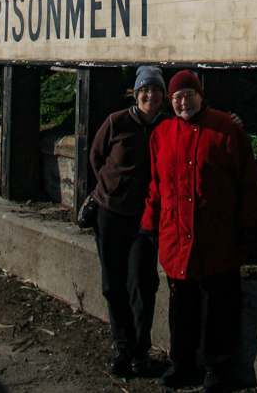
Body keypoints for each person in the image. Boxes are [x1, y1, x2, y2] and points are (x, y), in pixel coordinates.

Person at [141, 70, 257, 393]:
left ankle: (217, 368)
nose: (183, 102)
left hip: (218, 238)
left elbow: (248, 182)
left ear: (200, 94)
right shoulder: (161, 135)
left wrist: (249, 224)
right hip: (176, 239)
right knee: (182, 307)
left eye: (188, 95)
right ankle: (183, 364)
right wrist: (149, 225)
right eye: (177, 97)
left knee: (220, 305)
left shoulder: (226, 128)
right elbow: (156, 186)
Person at [89, 65, 167, 378]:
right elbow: (96, 157)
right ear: (136, 93)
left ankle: (141, 349)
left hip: (145, 219)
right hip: (109, 214)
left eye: (156, 89)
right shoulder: (117, 121)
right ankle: (123, 347)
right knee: (113, 283)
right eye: (145, 90)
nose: (151, 95)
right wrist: (111, 191)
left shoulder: (167, 126)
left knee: (142, 283)